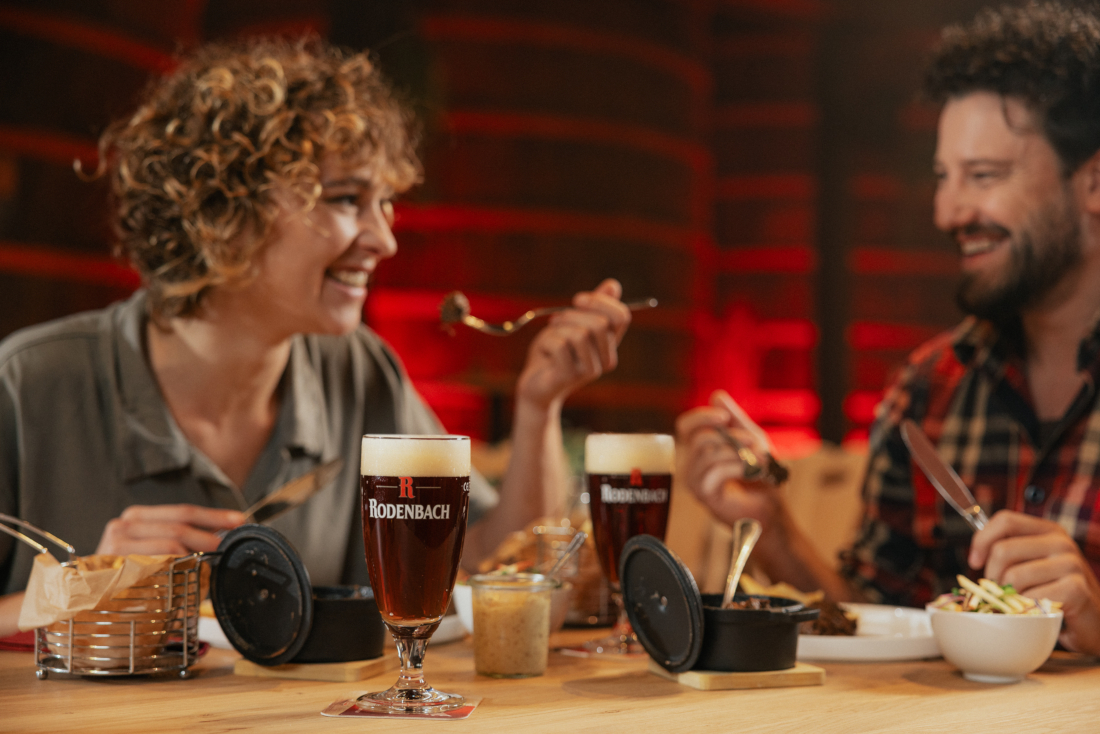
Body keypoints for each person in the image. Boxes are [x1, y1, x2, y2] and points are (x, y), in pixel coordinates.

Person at [0, 38, 632, 635]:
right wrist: (77, 588)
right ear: (223, 211)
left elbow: (487, 569)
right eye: (345, 199)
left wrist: (540, 401)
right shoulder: (27, 386)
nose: (384, 239)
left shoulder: (359, 370)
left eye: (384, 203)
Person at [677, 1, 1100, 656]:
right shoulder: (928, 389)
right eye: (942, 178)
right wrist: (775, 530)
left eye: (983, 177)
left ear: (1093, 182)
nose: (948, 211)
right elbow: (875, 619)